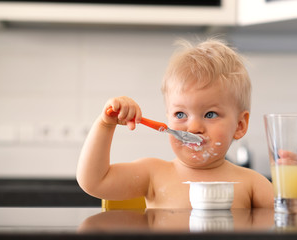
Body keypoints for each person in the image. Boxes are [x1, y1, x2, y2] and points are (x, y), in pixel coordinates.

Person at [76, 38, 274, 208]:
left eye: (210, 114)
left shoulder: (253, 184)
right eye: (180, 114)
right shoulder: (153, 175)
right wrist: (105, 125)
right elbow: (94, 182)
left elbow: (289, 222)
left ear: (240, 125)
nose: (194, 127)